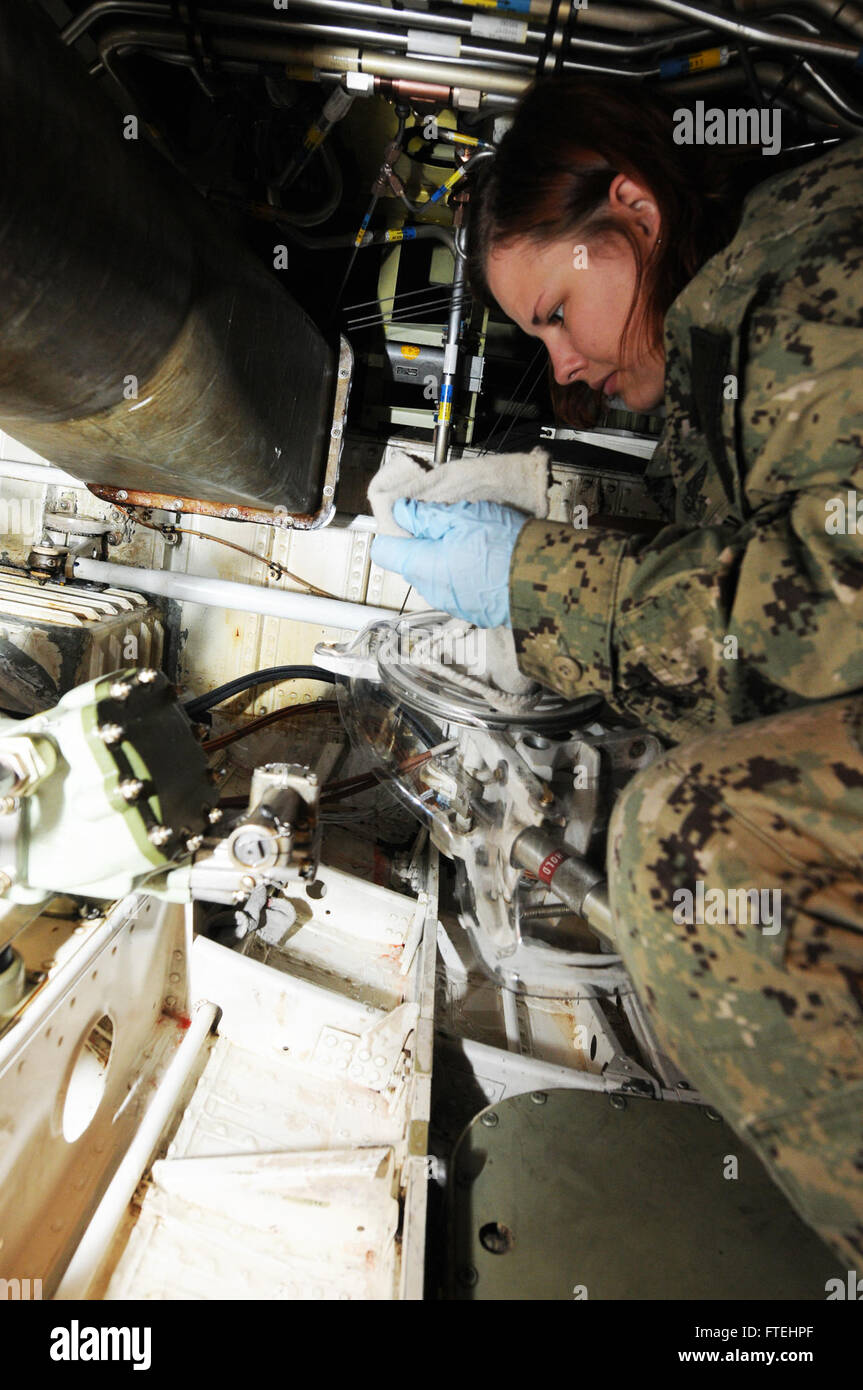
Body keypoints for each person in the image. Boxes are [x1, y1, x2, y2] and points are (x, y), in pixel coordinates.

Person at [372, 79, 863, 1269]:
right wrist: (556, 534)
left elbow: (830, 605)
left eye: (554, 312)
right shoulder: (728, 340)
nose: (564, 364)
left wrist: (534, 578)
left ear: (631, 211)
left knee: (691, 841)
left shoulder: (821, 276)